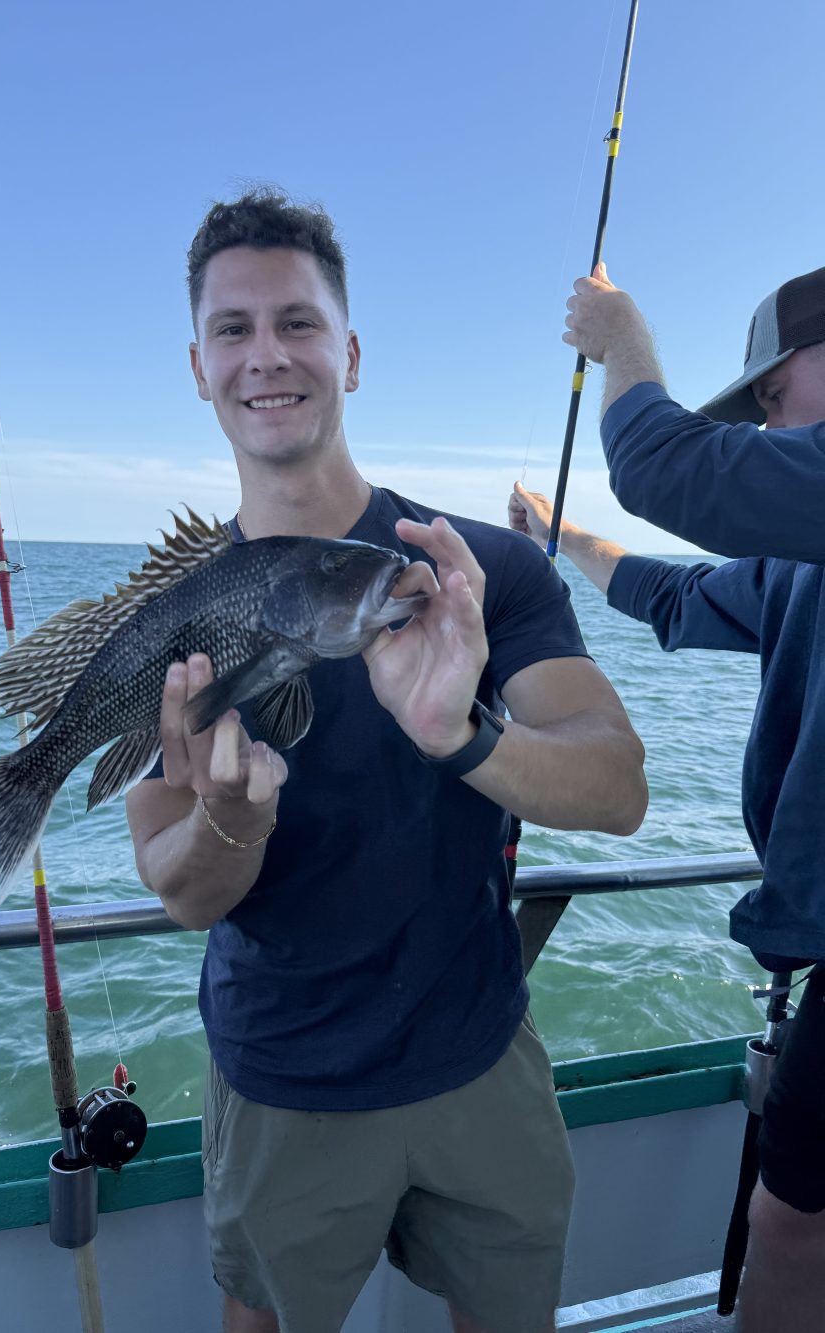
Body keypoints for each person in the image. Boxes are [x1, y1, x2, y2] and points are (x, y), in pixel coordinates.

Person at [125, 190, 648, 1333]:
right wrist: (228, 820)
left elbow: (618, 788)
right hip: (282, 1078)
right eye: (233, 329)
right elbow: (176, 887)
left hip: (478, 1050)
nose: (267, 356)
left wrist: (462, 734)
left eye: (298, 323)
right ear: (200, 366)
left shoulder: (478, 571)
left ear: (349, 353)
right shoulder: (174, 614)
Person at [507, 260, 825, 1333]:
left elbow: (663, 466)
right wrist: (559, 537)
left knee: (788, 1222)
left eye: (776, 393)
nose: (771, 421)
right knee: (793, 1221)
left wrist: (621, 333)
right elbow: (679, 595)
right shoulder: (801, 554)